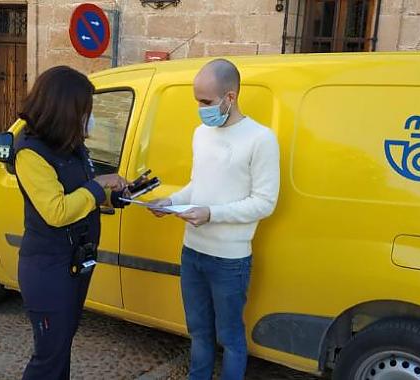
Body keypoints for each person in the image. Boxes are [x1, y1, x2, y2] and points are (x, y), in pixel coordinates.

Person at [150, 59, 281, 379]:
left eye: (206, 102)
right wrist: (172, 201)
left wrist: (212, 214)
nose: (200, 109)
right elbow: (199, 185)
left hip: (230, 260)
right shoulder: (201, 133)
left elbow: (265, 203)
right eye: (197, 101)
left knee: (231, 339)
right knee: (198, 333)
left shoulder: (261, 139)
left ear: (230, 97)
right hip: (192, 251)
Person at [14, 65, 129, 380]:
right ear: (64, 110)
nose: (88, 119)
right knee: (48, 359)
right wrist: (97, 186)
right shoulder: (30, 152)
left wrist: (116, 195)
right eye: (84, 112)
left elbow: (83, 190)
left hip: (76, 263)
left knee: (61, 348)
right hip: (48, 270)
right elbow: (57, 210)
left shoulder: (71, 145)